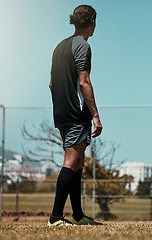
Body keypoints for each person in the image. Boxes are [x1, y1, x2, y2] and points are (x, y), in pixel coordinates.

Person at [48, 5, 103, 226]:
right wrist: (96, 116)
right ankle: (55, 218)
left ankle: (78, 215)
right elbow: (84, 81)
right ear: (92, 22)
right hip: (75, 112)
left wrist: (62, 104)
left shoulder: (59, 47)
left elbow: (52, 84)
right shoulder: (82, 45)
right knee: (71, 161)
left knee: (78, 162)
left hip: (61, 111)